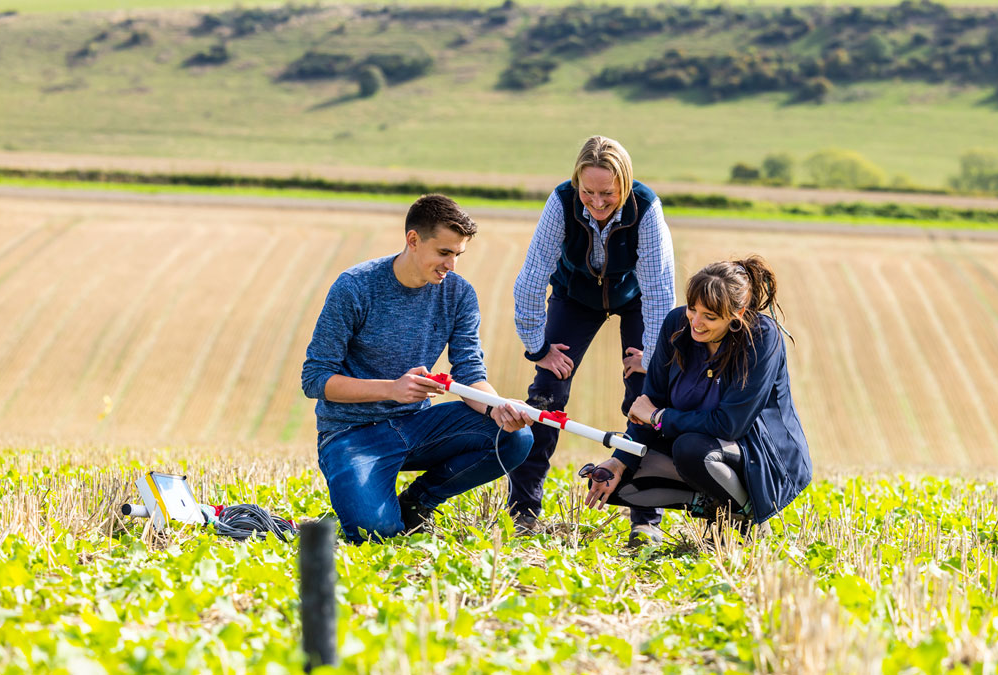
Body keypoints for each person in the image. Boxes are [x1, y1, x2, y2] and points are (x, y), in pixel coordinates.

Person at [301, 194, 534, 544]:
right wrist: (391, 389)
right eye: (444, 253)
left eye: (458, 255)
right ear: (413, 240)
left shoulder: (459, 295)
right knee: (376, 533)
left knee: (514, 437)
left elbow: (470, 373)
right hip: (350, 435)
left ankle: (419, 502)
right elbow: (315, 378)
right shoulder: (355, 287)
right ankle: (377, 507)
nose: (451, 265)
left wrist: (498, 408)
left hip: (416, 427)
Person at [509, 135, 676, 546]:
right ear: (576, 183)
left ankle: (645, 521)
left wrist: (652, 358)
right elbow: (532, 278)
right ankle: (524, 510)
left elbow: (659, 291)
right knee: (547, 394)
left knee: (644, 398)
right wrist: (538, 347)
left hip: (634, 298)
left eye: (607, 193)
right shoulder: (562, 203)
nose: (597, 202)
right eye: (588, 191)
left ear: (625, 184)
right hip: (574, 296)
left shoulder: (646, 209)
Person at [581, 256, 811, 535]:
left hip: (757, 454)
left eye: (710, 317)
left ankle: (746, 520)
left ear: (736, 316)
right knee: (625, 479)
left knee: (690, 449)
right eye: (693, 309)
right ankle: (713, 504)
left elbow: (730, 425)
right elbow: (650, 400)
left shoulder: (762, 337)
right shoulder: (676, 323)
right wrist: (619, 459)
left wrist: (659, 418)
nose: (696, 322)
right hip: (702, 446)